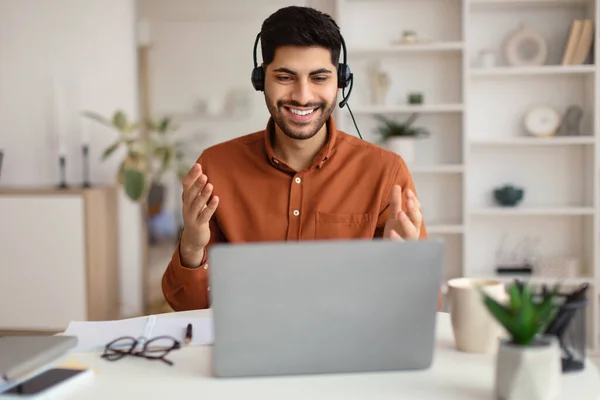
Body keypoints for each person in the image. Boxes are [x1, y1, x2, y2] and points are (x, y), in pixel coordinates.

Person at [162, 5, 433, 312]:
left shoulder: (386, 172)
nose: (303, 96)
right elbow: (188, 310)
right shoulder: (216, 167)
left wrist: (410, 267)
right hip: (250, 347)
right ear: (261, 79)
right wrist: (192, 245)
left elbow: (421, 309)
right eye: (285, 76)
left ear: (341, 81)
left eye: (319, 77)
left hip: (350, 350)